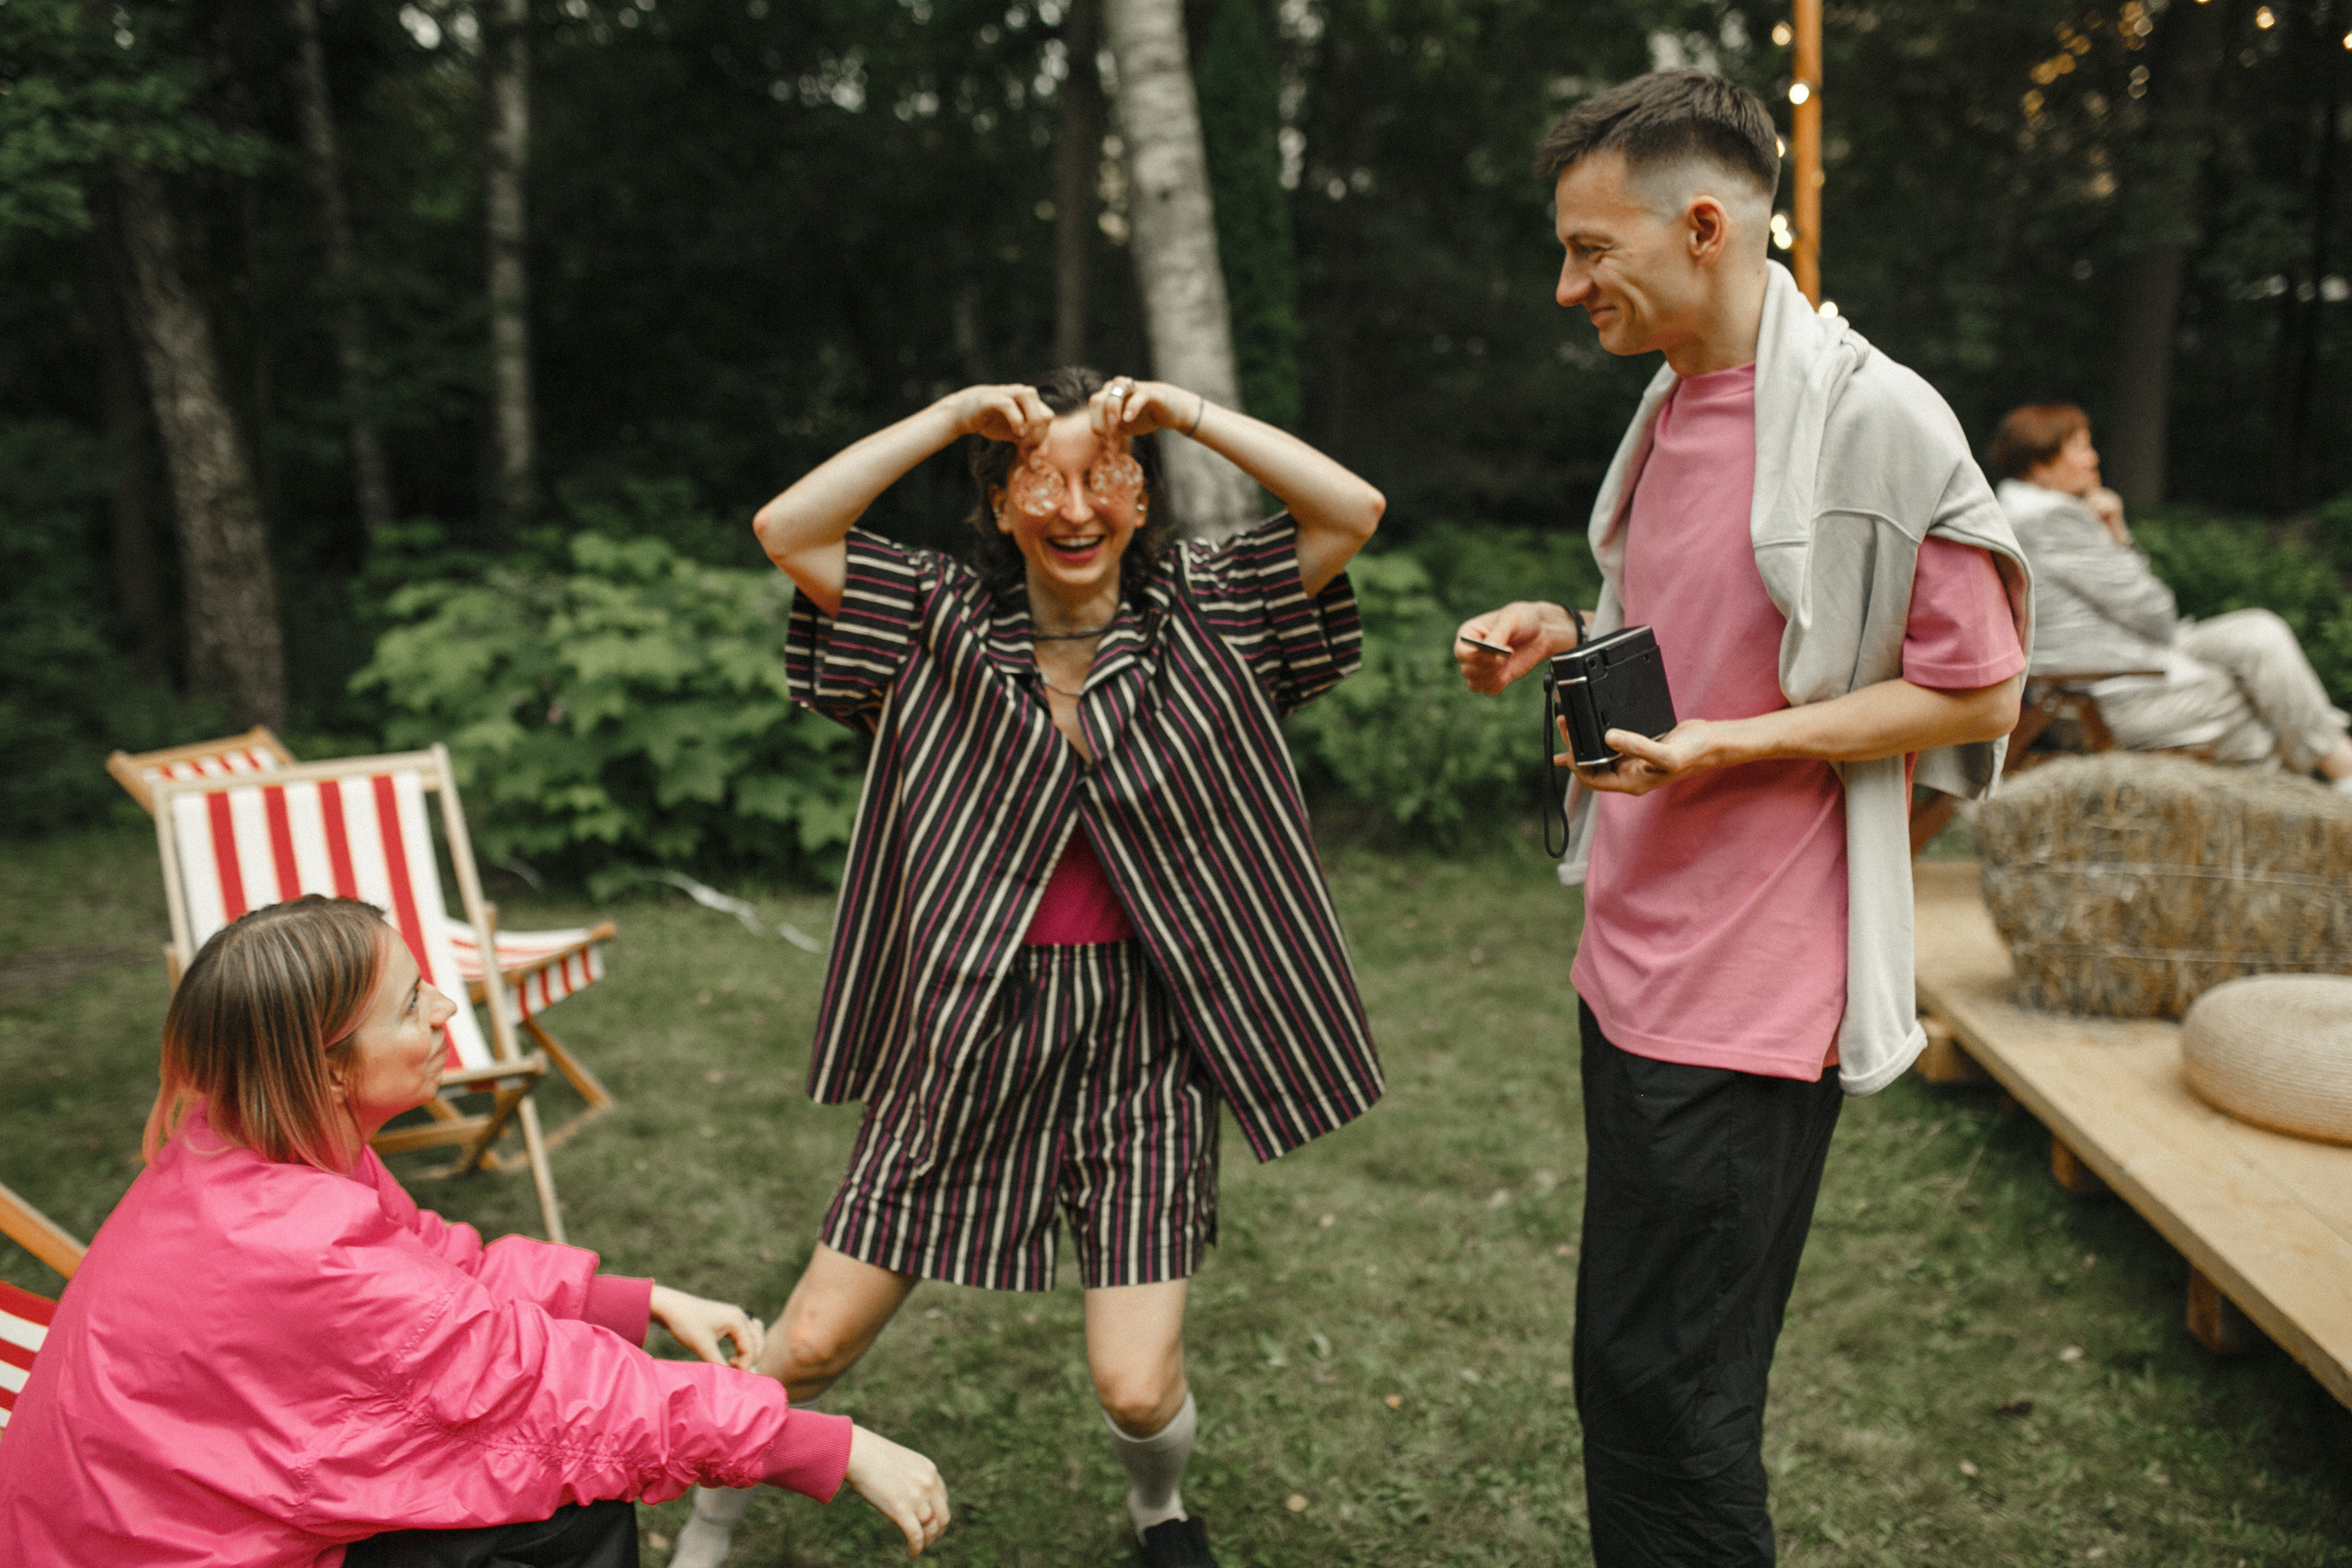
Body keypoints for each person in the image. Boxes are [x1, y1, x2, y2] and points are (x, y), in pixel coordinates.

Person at [1453, 73, 2030, 1565]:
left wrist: (1728, 751)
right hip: (1632, 964)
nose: (1566, 283)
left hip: (1749, 1000)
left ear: (1703, 225)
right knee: (1630, 1377)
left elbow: (1975, 691)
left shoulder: (1878, 422)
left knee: (1672, 1400)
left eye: (1591, 250)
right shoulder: (1672, 407)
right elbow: (1687, 629)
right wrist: (1561, 624)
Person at [666, 369, 1385, 1568]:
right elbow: (787, 529)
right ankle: (703, 1530)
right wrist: (954, 418)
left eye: (1103, 473)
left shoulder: (1214, 603)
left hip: (1146, 1036)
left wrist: (1183, 414)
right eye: (1036, 478)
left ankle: (1159, 1507)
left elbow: (1349, 510)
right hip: (966, 1024)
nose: (1072, 503)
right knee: (812, 1339)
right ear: (998, 507)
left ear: (1142, 495)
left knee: (1139, 1385)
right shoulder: (935, 614)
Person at [0, 896, 947, 1567]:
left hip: (138, 1509)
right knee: (566, 1509)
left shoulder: (250, 1142)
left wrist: (644, 1300)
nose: (449, 1009)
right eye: (414, 1004)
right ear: (330, 1073)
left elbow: (436, 1269)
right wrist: (831, 1446)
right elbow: (543, 1388)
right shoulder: (300, 1244)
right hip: (164, 1546)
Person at [1988, 402, 2352, 790]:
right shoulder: (2054, 522)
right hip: (2110, 692)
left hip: (2121, 667)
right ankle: (2337, 778)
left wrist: (2115, 531)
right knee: (2257, 705)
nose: (2093, 458)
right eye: (2078, 448)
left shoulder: (2024, 515)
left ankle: (2342, 773)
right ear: (2040, 466)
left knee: (2260, 633)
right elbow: (2156, 614)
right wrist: (2119, 538)